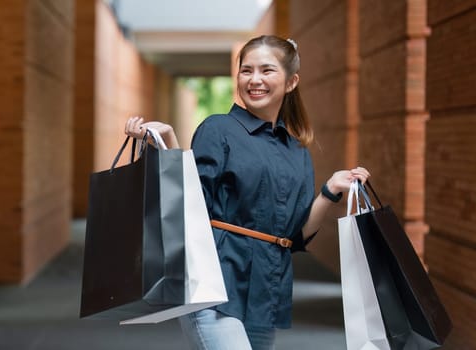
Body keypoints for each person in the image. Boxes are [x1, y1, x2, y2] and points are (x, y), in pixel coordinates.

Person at [124, 35, 370, 350]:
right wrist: (168, 145)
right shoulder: (218, 129)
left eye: (267, 71)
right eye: (246, 70)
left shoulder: (296, 149)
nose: (254, 80)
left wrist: (330, 191)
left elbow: (297, 236)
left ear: (291, 81)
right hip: (215, 280)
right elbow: (190, 206)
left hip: (266, 289)